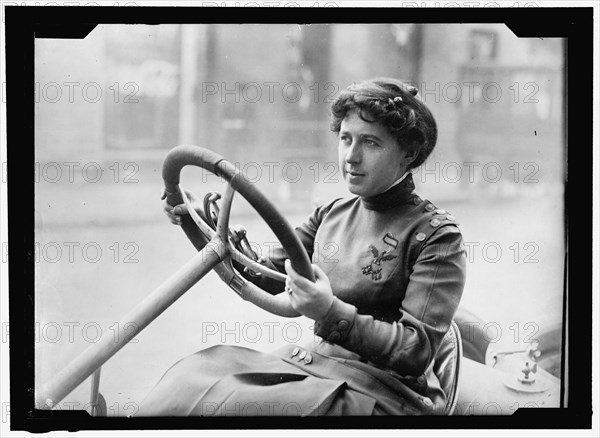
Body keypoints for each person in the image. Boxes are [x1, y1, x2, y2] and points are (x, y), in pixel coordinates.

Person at [139, 78, 467, 416]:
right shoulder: (332, 213)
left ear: (408, 153)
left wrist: (329, 312)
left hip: (382, 393)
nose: (351, 157)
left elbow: (416, 350)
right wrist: (198, 221)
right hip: (314, 368)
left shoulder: (436, 236)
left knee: (241, 407)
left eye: (370, 143)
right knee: (189, 380)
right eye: (345, 139)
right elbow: (267, 275)